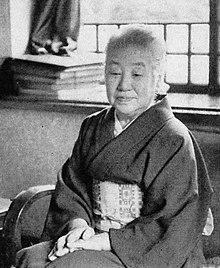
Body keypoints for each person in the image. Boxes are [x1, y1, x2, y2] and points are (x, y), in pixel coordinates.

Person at [15, 25, 213, 268]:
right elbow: (72, 188)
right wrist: (78, 226)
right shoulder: (92, 127)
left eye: (137, 75)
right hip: (92, 237)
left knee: (67, 265)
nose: (123, 85)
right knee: (31, 258)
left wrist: (103, 241)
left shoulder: (173, 139)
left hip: (142, 253)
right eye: (114, 73)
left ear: (160, 78)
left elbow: (170, 222)